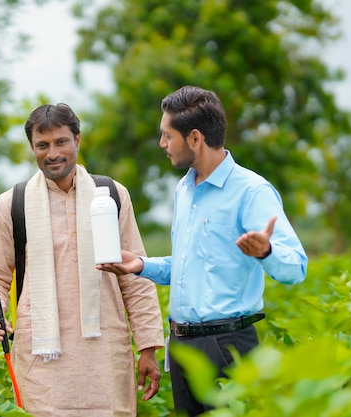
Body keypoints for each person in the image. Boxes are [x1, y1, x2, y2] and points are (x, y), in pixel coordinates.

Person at [98, 86, 308, 416]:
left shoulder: (251, 192)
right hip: (183, 347)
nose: (162, 144)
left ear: (195, 138)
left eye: (168, 135)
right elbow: (186, 267)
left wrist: (265, 251)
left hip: (227, 346)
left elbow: (296, 267)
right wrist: (140, 264)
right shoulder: (184, 189)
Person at [0, 103, 165, 417]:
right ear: (32, 148)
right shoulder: (12, 204)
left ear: (77, 140)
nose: (53, 153)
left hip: (105, 357)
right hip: (41, 362)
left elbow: (136, 278)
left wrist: (147, 348)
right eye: (43, 145)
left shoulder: (112, 195)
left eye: (61, 142)